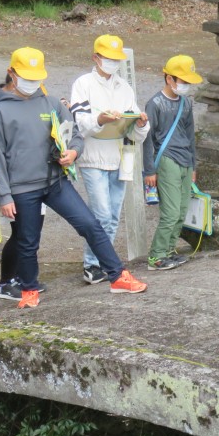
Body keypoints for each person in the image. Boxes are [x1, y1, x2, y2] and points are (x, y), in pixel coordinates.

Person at [0, 47, 148, 308]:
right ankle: (28, 290)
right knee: (28, 241)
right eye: (26, 76)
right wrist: (5, 195)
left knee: (90, 224)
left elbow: (74, 134)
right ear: (11, 74)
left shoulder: (49, 103)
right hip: (22, 188)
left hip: (55, 182)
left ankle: (117, 275)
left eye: (36, 76)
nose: (32, 82)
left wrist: (73, 152)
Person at [68, 34, 150, 285]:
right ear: (96, 57)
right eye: (108, 58)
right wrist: (100, 120)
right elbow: (79, 123)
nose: (113, 63)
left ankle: (103, 261)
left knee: (113, 214)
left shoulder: (124, 87)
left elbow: (135, 132)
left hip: (119, 156)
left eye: (116, 59)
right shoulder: (83, 84)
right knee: (101, 212)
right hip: (93, 156)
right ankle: (91, 263)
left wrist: (140, 123)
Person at [0, 72, 46, 301]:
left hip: (36, 175)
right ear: (13, 75)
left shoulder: (32, 96)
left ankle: (25, 278)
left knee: (32, 231)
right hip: (14, 179)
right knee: (21, 232)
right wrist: (2, 181)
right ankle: (6, 282)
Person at [142, 55, 202, 271]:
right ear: (169, 78)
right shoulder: (155, 104)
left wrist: (193, 166)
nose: (185, 86)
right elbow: (147, 139)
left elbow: (190, 134)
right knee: (170, 212)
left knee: (181, 210)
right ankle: (156, 256)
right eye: (183, 81)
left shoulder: (186, 103)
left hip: (185, 159)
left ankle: (169, 251)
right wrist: (149, 170)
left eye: (188, 82)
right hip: (167, 160)